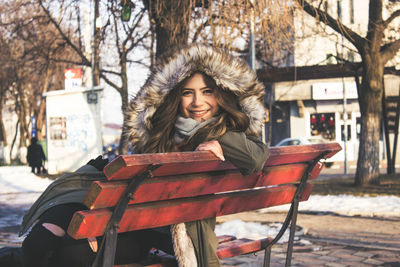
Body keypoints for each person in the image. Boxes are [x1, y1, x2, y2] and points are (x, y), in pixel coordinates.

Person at [19, 44, 269, 267]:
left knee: (69, 253)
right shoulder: (161, 128)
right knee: (40, 241)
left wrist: (217, 137)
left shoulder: (226, 133)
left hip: (146, 228)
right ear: (176, 96)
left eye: (207, 92)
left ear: (221, 95)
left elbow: (257, 157)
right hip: (106, 201)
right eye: (187, 92)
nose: (197, 101)